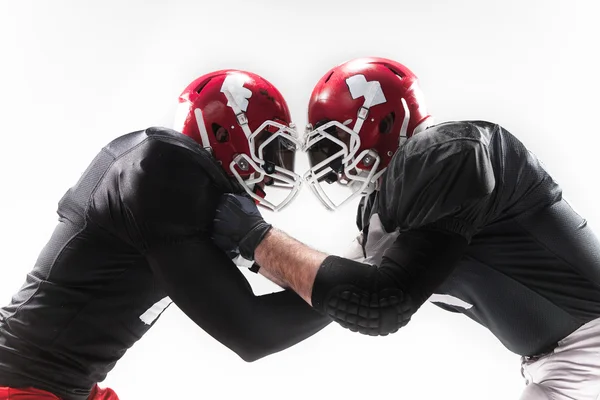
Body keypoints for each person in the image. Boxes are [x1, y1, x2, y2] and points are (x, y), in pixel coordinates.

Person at [211, 57, 600, 400]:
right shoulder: (392, 206)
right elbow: (334, 293)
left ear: (382, 120)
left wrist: (256, 237)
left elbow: (379, 306)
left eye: (333, 144)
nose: (332, 168)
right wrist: (248, 255)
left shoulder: (447, 150)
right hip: (565, 372)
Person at [0, 69, 330, 400]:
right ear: (224, 134)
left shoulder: (173, 187)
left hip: (64, 384)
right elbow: (255, 332)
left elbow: (288, 282)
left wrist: (347, 278)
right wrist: (358, 287)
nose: (274, 169)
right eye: (270, 150)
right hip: (23, 384)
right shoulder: (161, 174)